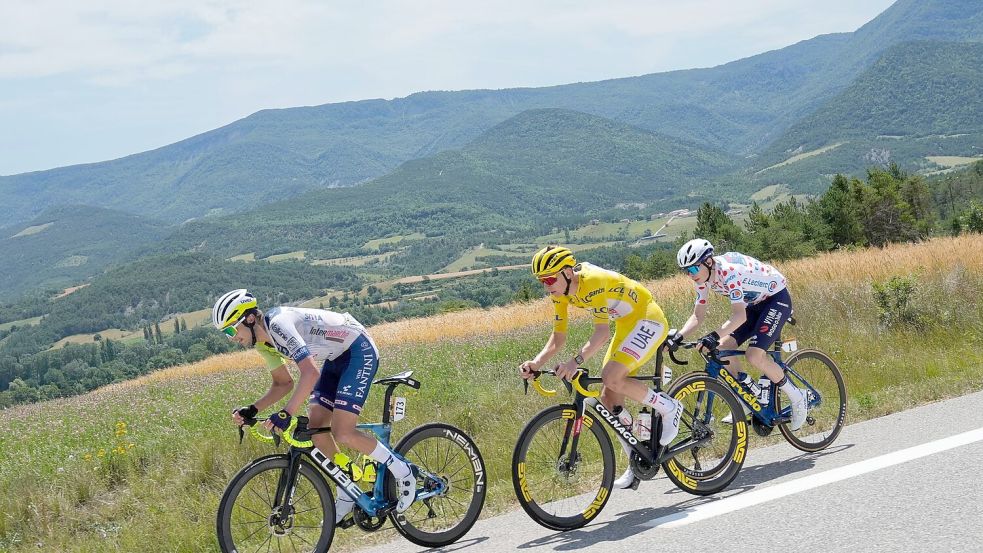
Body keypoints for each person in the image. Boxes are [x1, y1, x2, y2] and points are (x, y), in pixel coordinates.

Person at [211, 289, 416, 525]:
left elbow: (310, 372)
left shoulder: (278, 324)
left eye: (229, 330)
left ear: (248, 319)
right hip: (336, 357)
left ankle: (402, 471)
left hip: (358, 350)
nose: (231, 338)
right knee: (317, 430)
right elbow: (283, 383)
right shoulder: (264, 344)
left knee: (342, 431)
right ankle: (347, 492)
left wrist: (286, 413)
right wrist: (253, 409)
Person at [519, 246, 683, 491]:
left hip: (648, 318)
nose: (546, 286)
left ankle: (669, 407)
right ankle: (636, 458)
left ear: (566, 272)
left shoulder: (592, 281)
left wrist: (575, 362)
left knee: (612, 377)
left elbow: (601, 333)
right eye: (542, 281)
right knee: (608, 399)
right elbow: (558, 338)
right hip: (626, 325)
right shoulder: (559, 294)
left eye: (550, 278)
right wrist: (536, 362)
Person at [671, 239, 807, 430]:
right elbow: (697, 315)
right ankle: (745, 395)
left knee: (754, 355)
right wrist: (679, 336)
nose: (689, 275)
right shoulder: (702, 279)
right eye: (685, 271)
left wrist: (713, 335)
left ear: (708, 262)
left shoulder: (729, 272)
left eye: (692, 269)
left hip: (776, 300)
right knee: (723, 348)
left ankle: (797, 397)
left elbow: (739, 315)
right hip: (754, 304)